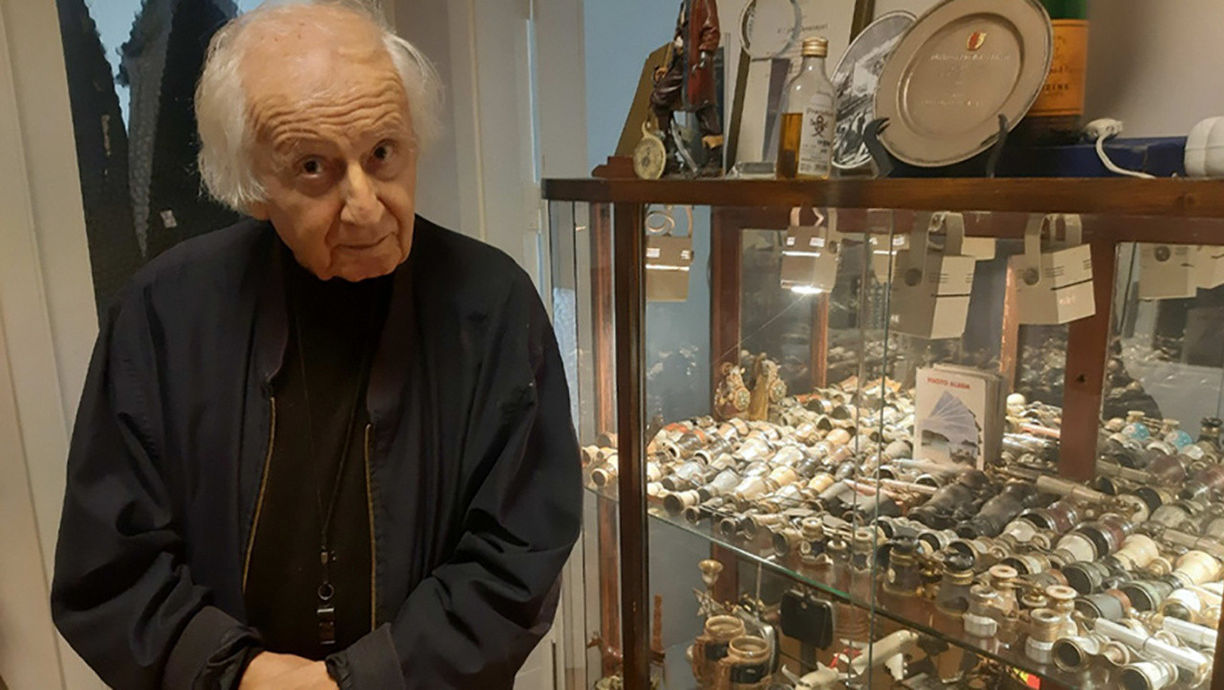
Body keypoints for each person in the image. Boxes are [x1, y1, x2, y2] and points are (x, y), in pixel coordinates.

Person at [49, 2, 582, 688]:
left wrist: (364, 679)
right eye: (312, 166)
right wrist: (240, 674)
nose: (365, 205)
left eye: (383, 153)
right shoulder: (162, 313)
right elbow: (108, 564)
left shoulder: (491, 304)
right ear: (251, 185)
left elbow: (519, 553)